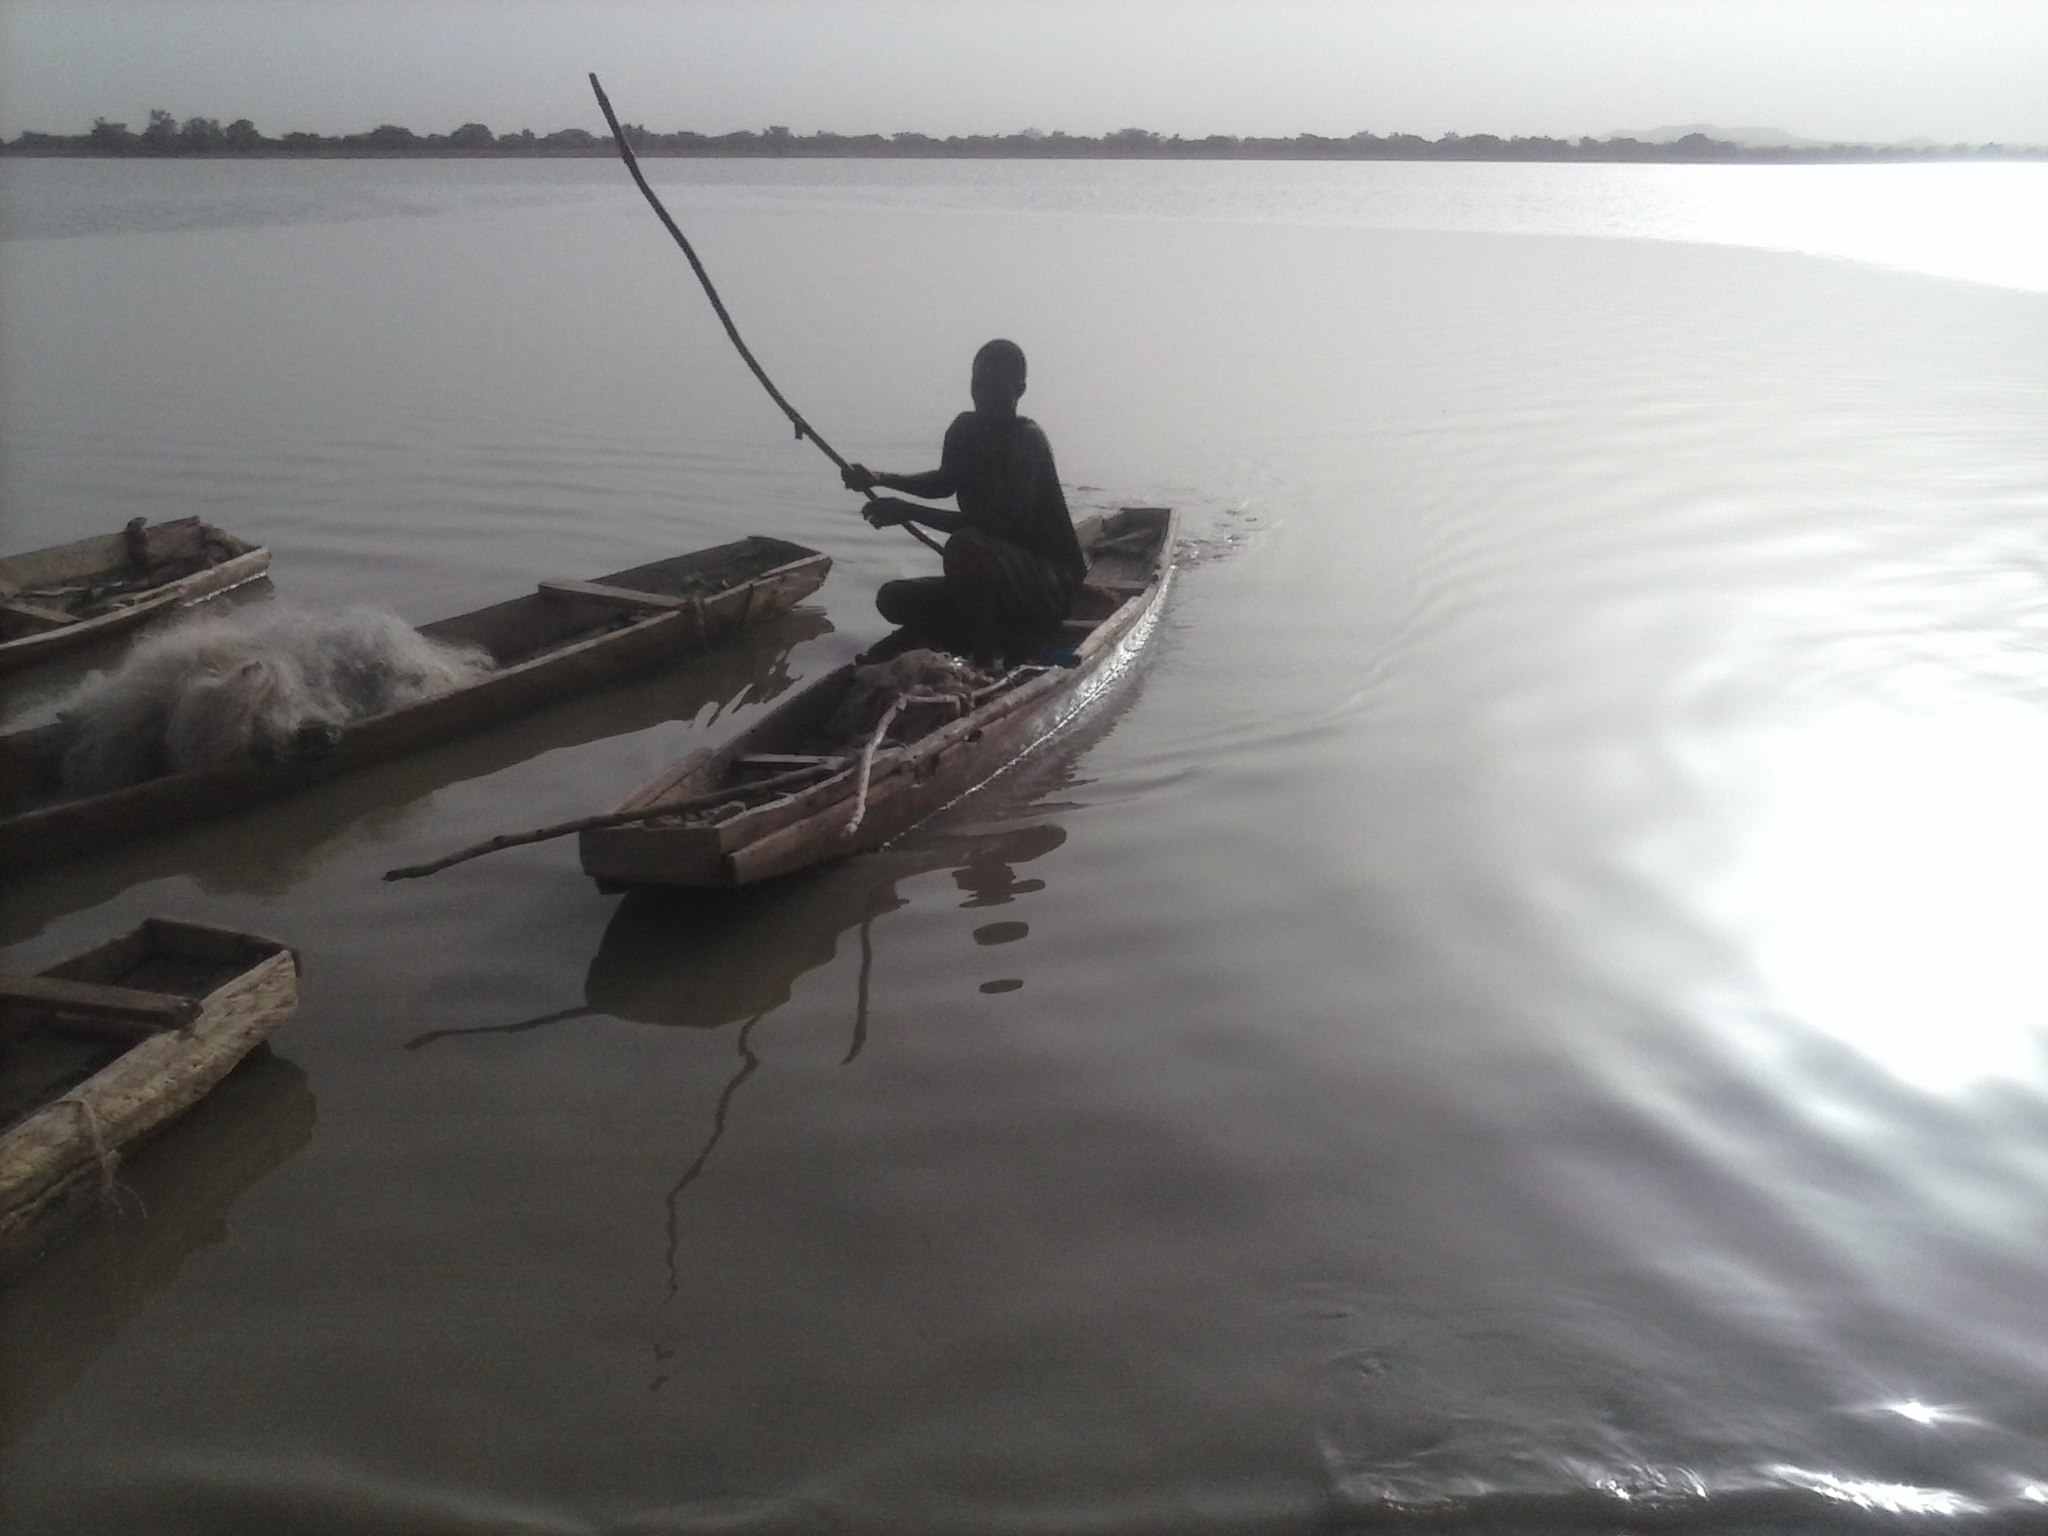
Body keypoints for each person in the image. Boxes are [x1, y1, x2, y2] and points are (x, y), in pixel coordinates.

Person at [842, 339, 1086, 666]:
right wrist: (878, 478)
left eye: (995, 387)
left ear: (1019, 389)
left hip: (1048, 584)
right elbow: (943, 483)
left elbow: (994, 526)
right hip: (994, 579)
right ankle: (982, 631)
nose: (984, 397)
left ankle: (982, 662)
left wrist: (905, 511)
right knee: (893, 598)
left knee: (965, 545)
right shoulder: (964, 429)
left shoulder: (1027, 442)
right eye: (978, 386)